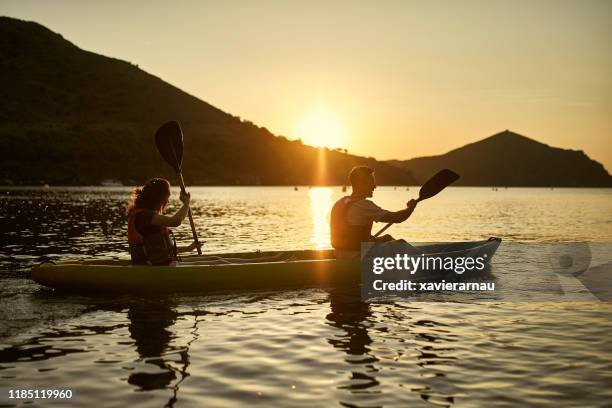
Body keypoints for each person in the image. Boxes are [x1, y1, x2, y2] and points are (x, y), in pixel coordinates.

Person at [127, 178, 286, 266]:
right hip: (158, 269)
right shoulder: (144, 216)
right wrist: (186, 204)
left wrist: (188, 248)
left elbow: (161, 249)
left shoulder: (146, 215)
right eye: (166, 198)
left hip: (165, 264)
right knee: (218, 262)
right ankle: (265, 265)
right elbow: (175, 221)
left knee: (217, 259)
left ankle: (265, 261)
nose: (167, 202)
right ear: (159, 198)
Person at [330, 166, 417, 259]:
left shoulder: (340, 202)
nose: (375, 186)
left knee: (387, 238)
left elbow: (351, 232)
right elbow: (397, 218)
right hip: (356, 256)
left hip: (338, 253)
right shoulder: (363, 205)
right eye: (372, 182)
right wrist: (410, 208)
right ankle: (427, 263)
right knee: (401, 244)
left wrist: (374, 240)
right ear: (361, 184)